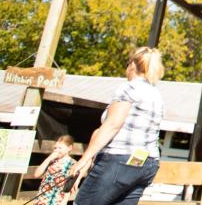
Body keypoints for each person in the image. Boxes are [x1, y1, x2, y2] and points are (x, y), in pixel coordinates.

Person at [70, 47, 165, 205]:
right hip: (147, 164)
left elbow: (113, 124)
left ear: (133, 65)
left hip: (119, 161)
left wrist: (83, 160)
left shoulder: (129, 87)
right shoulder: (156, 94)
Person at [32, 135, 76, 205]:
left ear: (69, 148)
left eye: (60, 148)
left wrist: (64, 201)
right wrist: (48, 159)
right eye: (55, 148)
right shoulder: (51, 161)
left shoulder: (73, 164)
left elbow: (70, 185)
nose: (56, 150)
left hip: (57, 199)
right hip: (42, 198)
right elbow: (36, 175)